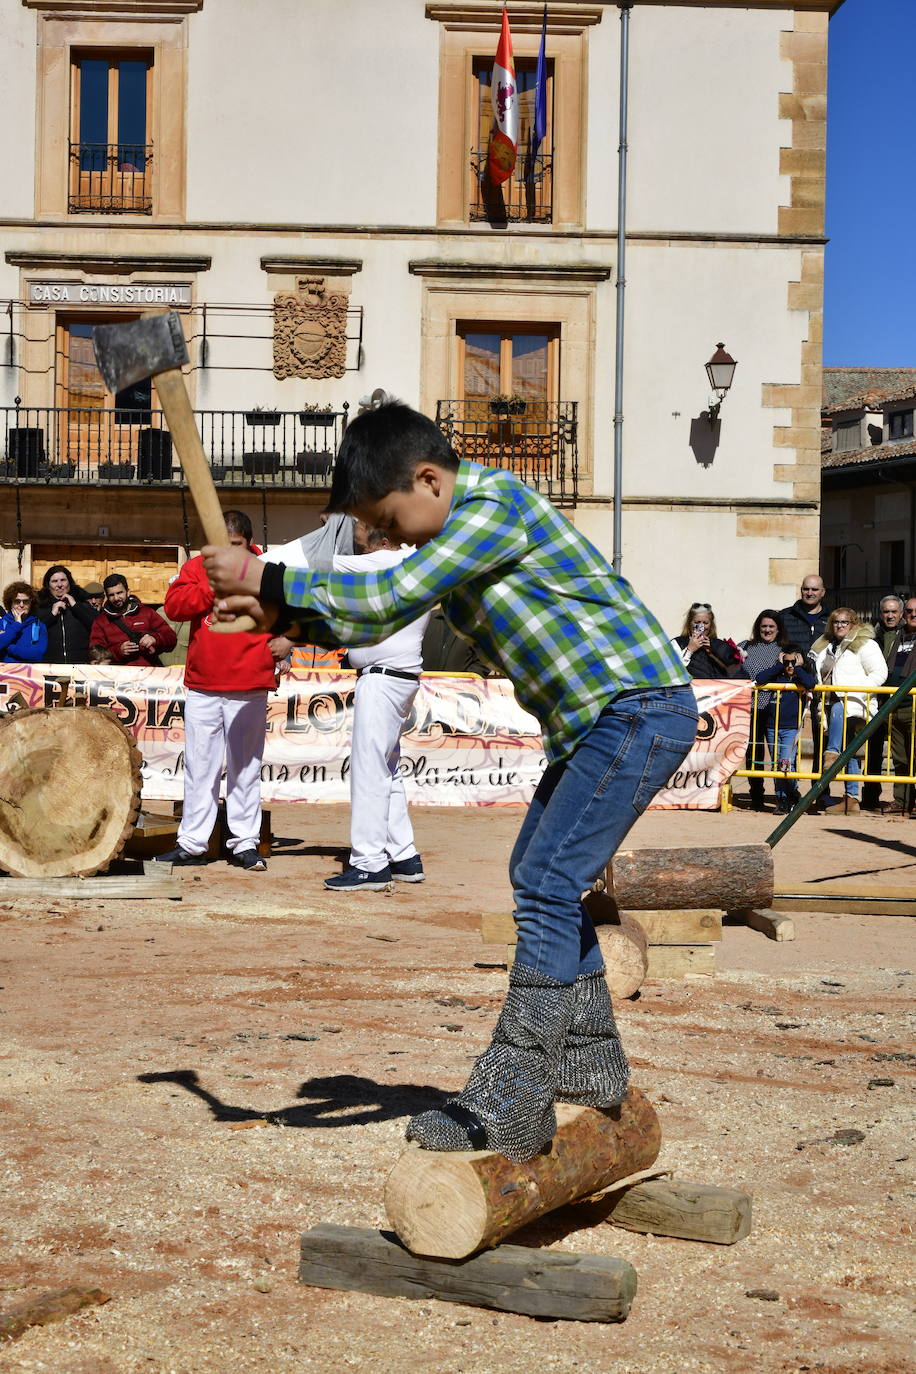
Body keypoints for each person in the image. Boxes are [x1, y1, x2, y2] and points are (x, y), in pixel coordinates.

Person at [202, 398, 698, 1164]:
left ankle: (513, 1099)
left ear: (429, 479)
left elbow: (391, 594)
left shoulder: (496, 505)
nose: (387, 537)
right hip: (602, 722)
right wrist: (275, 614)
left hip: (636, 710)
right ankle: (590, 1064)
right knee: (536, 874)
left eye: (389, 520)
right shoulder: (461, 538)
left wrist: (266, 573)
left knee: (545, 886)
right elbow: (369, 624)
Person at [154, 510, 276, 872]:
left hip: (250, 684)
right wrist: (211, 586)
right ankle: (192, 842)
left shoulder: (268, 570)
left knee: (245, 769)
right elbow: (174, 607)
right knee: (200, 767)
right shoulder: (197, 567)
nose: (229, 552)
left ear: (250, 544)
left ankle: (245, 843)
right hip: (204, 685)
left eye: (235, 545)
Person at [810, 607, 887, 814]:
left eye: (845, 622)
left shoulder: (866, 645)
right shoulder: (824, 646)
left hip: (854, 703)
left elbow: (880, 673)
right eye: (836, 622)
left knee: (843, 740)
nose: (840, 626)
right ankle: (851, 799)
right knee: (851, 750)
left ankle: (832, 754)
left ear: (853, 624)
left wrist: (857, 694)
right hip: (828, 703)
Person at [755, 643, 815, 814]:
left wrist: (800, 667)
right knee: (776, 764)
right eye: (787, 662)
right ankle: (782, 799)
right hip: (772, 727)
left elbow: (811, 683)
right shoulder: (777, 676)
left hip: (791, 728)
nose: (789, 666)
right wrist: (779, 665)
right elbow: (760, 678)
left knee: (785, 763)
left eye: (793, 662)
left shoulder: (800, 678)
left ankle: (792, 793)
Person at [738, 610, 786, 810]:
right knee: (753, 753)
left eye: (771, 627)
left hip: (774, 708)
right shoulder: (745, 646)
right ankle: (756, 796)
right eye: (764, 626)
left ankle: (782, 797)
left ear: (778, 629)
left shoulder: (783, 649)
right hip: (749, 708)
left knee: (778, 753)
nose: (767, 630)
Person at [863, 596, 904, 810]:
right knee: (873, 750)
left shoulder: (908, 635)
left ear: (900, 613)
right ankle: (869, 797)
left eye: (894, 612)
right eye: (886, 612)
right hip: (877, 701)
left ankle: (905, 799)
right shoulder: (871, 635)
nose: (890, 616)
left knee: (904, 751)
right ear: (881, 613)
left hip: (902, 700)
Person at [89, 574, 177, 667]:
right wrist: (118, 651)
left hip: (148, 673)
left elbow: (171, 638)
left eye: (119, 593)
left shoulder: (146, 612)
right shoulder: (101, 621)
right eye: (111, 595)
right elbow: (95, 654)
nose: (116, 598)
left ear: (128, 592)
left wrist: (154, 639)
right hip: (118, 675)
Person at [882, 597, 916, 816]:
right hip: (894, 704)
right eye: (910, 611)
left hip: (914, 703)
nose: (913, 615)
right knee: (900, 757)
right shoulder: (895, 636)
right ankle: (901, 800)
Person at [36, 565, 98, 664]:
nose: (59, 585)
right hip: (50, 666)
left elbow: (96, 626)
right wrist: (51, 615)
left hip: (80, 665)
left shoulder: (82, 602)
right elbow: (33, 632)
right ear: (48, 585)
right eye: (54, 581)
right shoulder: (40, 606)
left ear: (69, 582)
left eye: (63, 580)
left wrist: (75, 606)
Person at [673, 604, 745, 679]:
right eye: (697, 622)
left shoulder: (720, 645)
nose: (701, 626)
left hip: (716, 689)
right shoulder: (678, 643)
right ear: (689, 623)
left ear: (711, 624)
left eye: (705, 623)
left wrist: (713, 652)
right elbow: (671, 672)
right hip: (689, 689)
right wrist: (689, 650)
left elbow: (735, 673)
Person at [0, 582, 48, 663]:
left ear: (31, 604)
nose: (21, 605)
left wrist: (8, 647)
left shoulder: (39, 625)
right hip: (5, 673)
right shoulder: (2, 623)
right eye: (17, 601)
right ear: (10, 603)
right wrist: (16, 625)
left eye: (25, 601)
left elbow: (38, 655)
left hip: (28, 673)